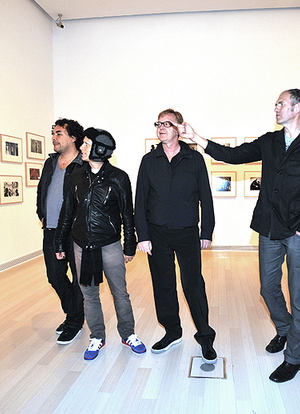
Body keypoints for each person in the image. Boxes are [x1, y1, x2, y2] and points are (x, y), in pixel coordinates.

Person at [179, 89, 300, 382]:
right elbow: (233, 155)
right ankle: (285, 329)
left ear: (297, 108)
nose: (276, 108)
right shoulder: (270, 141)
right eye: (276, 104)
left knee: (299, 297)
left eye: (281, 103)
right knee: (268, 289)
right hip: (270, 228)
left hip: (299, 231)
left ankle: (295, 358)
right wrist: (197, 138)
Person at [54, 128, 146, 361]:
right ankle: (97, 336)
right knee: (89, 295)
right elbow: (67, 212)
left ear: (100, 149)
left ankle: (128, 334)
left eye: (86, 144)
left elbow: (127, 214)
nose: (82, 148)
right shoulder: (75, 175)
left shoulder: (119, 177)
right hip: (82, 246)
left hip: (110, 245)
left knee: (120, 293)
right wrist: (59, 243)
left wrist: (129, 245)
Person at [135, 108, 217, 364]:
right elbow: (140, 200)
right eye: (159, 123)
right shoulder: (149, 160)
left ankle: (205, 336)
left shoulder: (194, 159)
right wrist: (142, 235)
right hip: (156, 233)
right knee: (163, 285)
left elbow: (205, 197)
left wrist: (206, 231)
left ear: (179, 128)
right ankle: (172, 332)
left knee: (193, 285)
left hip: (187, 232)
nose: (161, 127)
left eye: (167, 123)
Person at [36, 118, 85, 345]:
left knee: (78, 279)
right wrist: (41, 213)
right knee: (54, 276)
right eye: (53, 133)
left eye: (59, 133)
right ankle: (74, 312)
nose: (54, 138)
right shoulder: (51, 162)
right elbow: (41, 190)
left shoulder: (83, 164)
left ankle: (74, 320)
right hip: (51, 230)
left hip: (75, 232)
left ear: (73, 138)